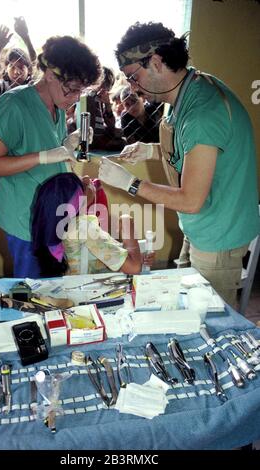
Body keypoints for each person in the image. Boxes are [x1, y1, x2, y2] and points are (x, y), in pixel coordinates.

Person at [99, 21, 260, 307]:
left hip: (218, 234)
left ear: (157, 62)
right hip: (201, 225)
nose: (133, 88)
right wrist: (149, 151)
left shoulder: (202, 111)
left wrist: (128, 183)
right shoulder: (183, 91)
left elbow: (190, 200)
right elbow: (196, 151)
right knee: (184, 303)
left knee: (211, 319)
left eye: (134, 77)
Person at [0, 35, 102, 278]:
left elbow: (50, 146)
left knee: (52, 283)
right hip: (25, 216)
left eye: (81, 91)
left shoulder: (56, 106)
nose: (75, 98)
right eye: (72, 90)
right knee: (32, 288)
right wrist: (44, 156)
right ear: (49, 75)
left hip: (51, 213)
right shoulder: (15, 104)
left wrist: (69, 144)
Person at [32, 172, 144, 276]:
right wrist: (127, 223)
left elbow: (107, 255)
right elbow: (133, 268)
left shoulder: (47, 230)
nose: (86, 178)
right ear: (77, 202)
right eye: (82, 185)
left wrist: (140, 256)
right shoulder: (83, 227)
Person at [0, 17, 36, 93]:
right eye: (12, 67)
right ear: (6, 69)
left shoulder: (32, 84)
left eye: (21, 67)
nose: (17, 72)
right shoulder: (3, 86)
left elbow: (35, 64)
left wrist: (26, 37)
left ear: (29, 69)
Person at [85, 66, 126, 151]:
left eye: (107, 86)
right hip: (90, 137)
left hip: (99, 135)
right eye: (103, 84)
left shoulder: (101, 100)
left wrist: (107, 104)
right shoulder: (88, 97)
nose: (104, 89)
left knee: (121, 137)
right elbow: (89, 125)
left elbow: (111, 124)